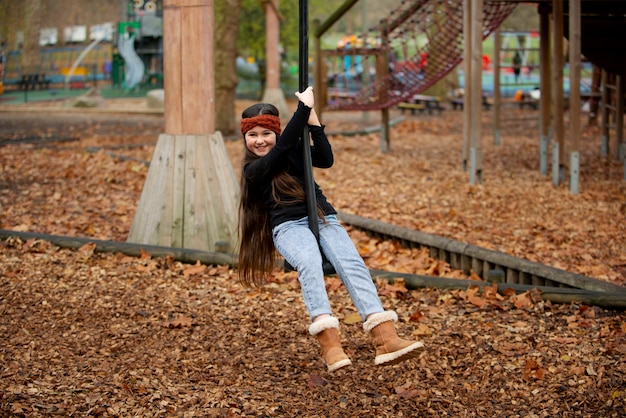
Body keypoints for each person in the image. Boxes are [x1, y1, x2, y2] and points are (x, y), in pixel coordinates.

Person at [237, 86, 424, 371]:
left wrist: (313, 124)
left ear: (275, 133)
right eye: (253, 135)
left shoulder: (292, 149)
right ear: (245, 137)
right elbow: (282, 149)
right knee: (309, 261)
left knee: (352, 262)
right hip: (288, 227)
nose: (260, 141)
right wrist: (301, 110)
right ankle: (330, 344)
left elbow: (325, 158)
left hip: (323, 218)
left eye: (266, 133)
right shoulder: (253, 170)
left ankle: (385, 337)